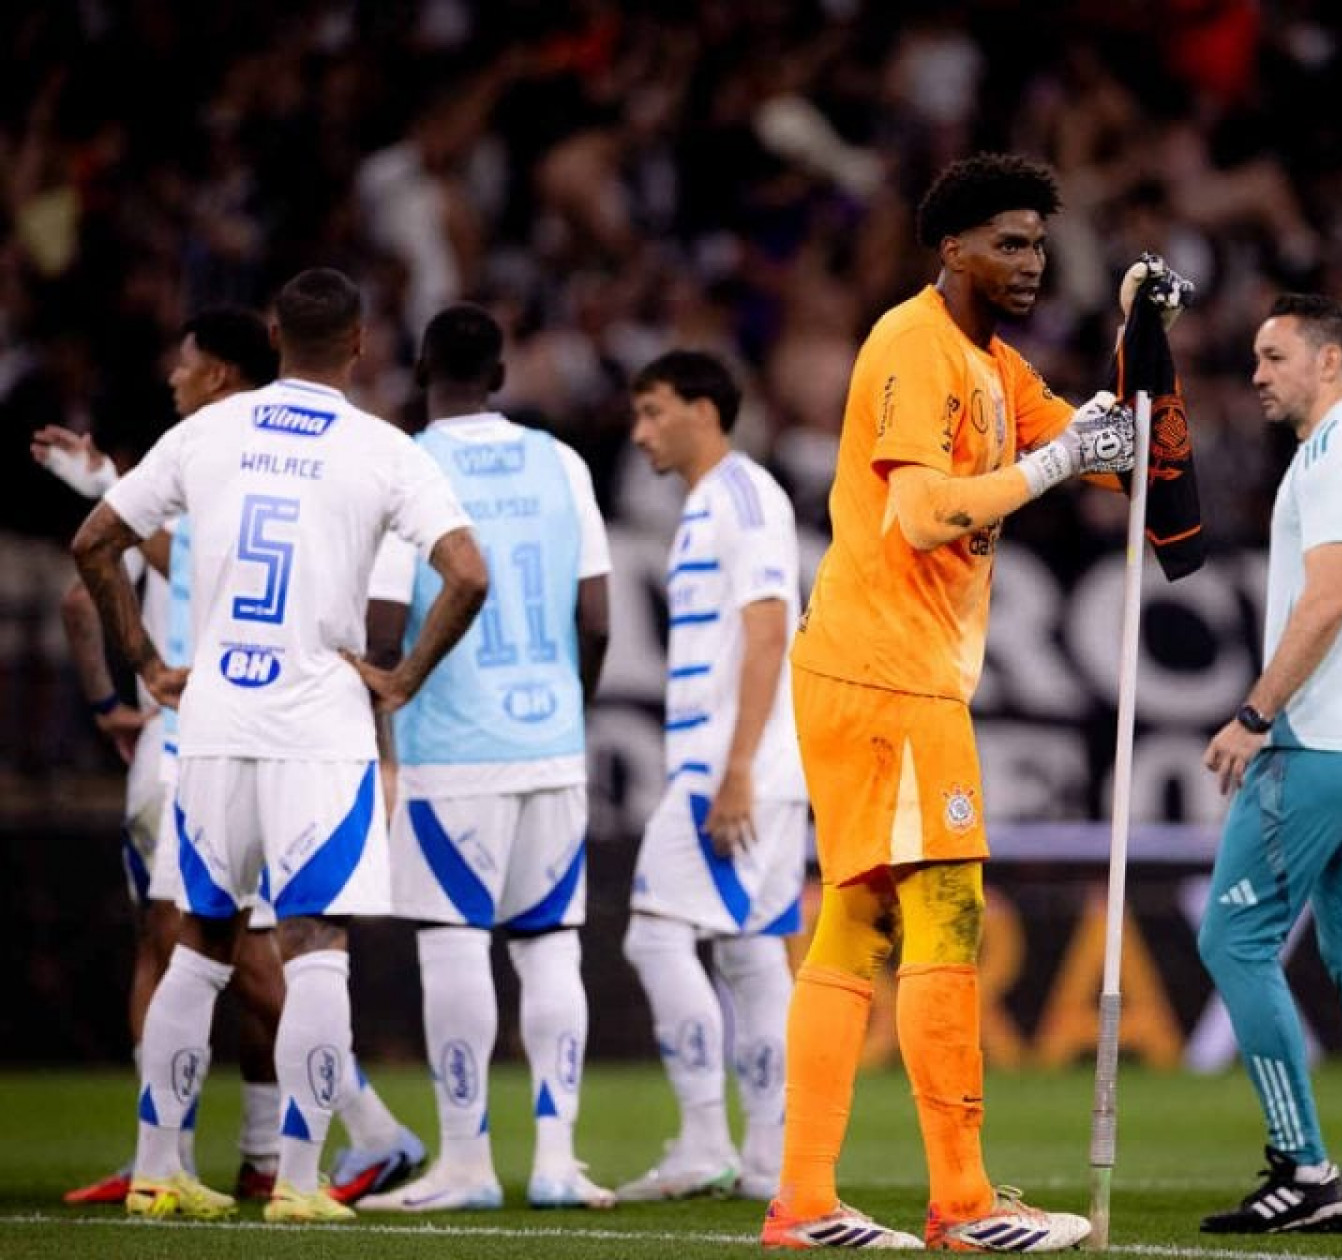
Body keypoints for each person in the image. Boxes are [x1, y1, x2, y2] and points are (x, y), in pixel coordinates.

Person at [763, 151, 1137, 1252]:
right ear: (952, 248)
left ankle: (804, 1200)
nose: (1029, 262)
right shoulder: (911, 346)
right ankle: (964, 1203)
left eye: (1037, 244)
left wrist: (1136, 360)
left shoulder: (993, 365)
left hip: (881, 671)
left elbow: (1108, 453)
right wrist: (1065, 459)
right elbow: (925, 515)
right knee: (948, 912)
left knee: (856, 919)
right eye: (1008, 243)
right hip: (890, 674)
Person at [70, 268, 487, 1224]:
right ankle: (300, 1181)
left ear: (271, 333)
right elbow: (467, 575)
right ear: (361, 344)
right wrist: (405, 678)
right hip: (317, 731)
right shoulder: (383, 450)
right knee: (315, 951)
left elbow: (95, 541)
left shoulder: (204, 432)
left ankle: (156, 1170)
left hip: (211, 724)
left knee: (197, 949)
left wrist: (148, 660)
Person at [355, 303, 615, 1213]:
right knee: (551, 947)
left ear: (422, 372)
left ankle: (466, 1162)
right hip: (550, 740)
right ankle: (555, 1160)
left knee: (454, 943)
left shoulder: (406, 466)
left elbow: (382, 628)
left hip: (450, 747)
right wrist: (564, 713)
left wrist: (385, 731)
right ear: (502, 374)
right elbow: (597, 620)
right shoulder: (562, 461)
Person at [1193, 294, 1342, 1237]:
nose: (1257, 373)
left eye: (1273, 355)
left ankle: (1304, 1167)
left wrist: (1256, 712)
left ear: (1328, 362)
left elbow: (1328, 599)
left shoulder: (1333, 458)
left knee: (1231, 941)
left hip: (1322, 741)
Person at [615, 350, 804, 1204]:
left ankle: (702, 1142)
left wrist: (733, 772)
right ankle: (769, 1159)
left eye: (655, 411)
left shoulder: (742, 496)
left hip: (732, 770)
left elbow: (769, 632)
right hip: (754, 768)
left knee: (654, 934)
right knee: (753, 953)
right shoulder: (703, 506)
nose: (641, 430)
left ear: (704, 408)